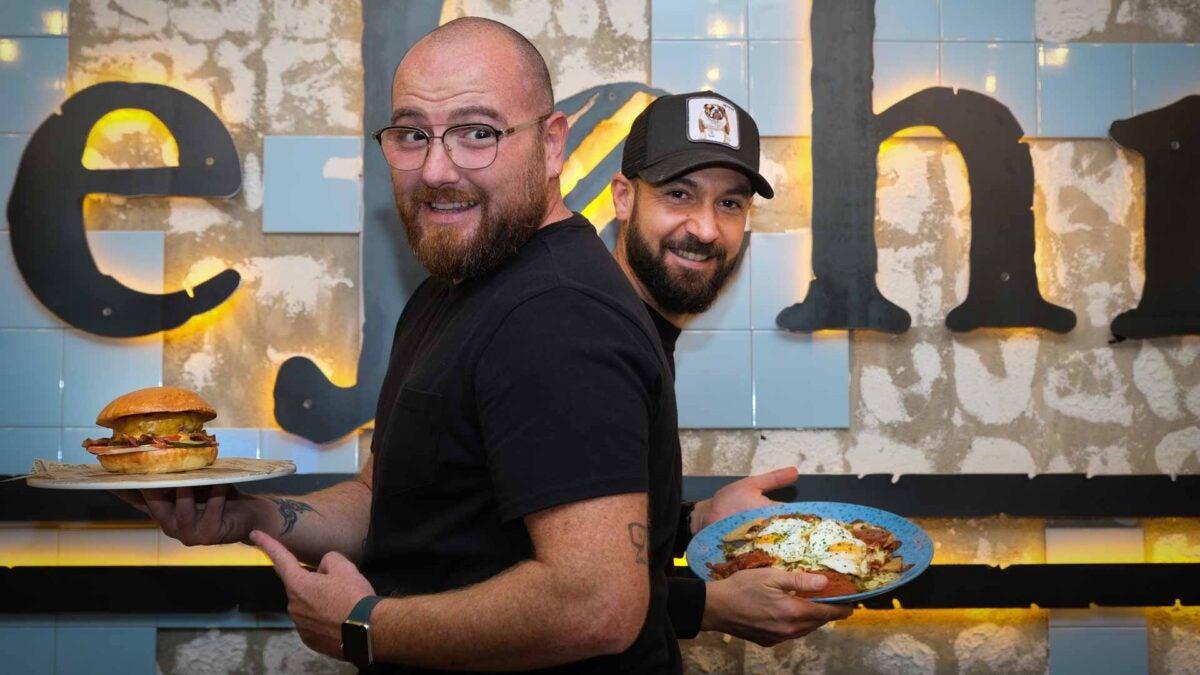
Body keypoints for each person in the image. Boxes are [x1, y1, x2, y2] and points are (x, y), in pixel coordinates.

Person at [119, 17, 682, 674]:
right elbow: (379, 496)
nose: (437, 169)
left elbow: (596, 604)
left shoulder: (557, 313)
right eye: (413, 134)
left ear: (553, 144)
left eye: (478, 133)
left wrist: (365, 623)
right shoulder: (453, 288)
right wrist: (247, 514)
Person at [609, 92, 853, 646]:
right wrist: (707, 605)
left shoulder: (641, 332)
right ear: (624, 197)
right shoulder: (592, 339)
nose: (705, 229)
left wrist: (697, 521)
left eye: (730, 204)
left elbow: (585, 530)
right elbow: (551, 579)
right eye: (679, 194)